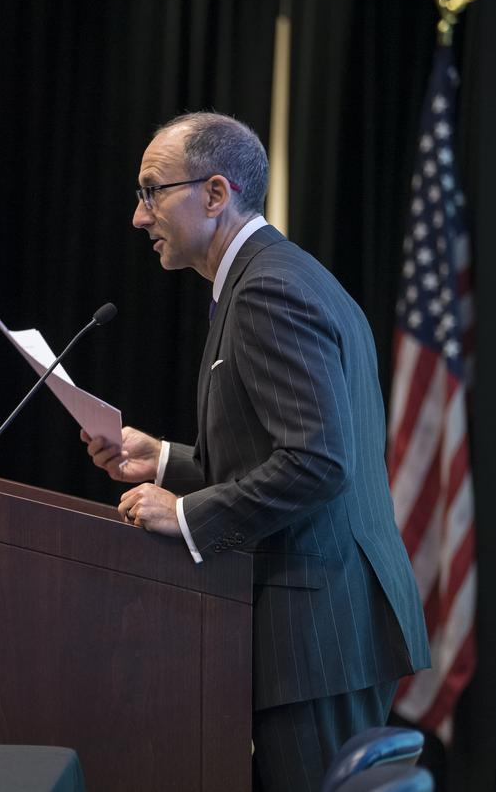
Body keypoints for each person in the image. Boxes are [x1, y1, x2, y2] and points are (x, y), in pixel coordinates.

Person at [81, 113, 430, 791]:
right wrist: (162, 460)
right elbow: (276, 453)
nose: (137, 215)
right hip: (327, 628)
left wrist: (186, 516)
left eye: (153, 191)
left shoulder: (268, 289)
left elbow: (319, 463)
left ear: (216, 193)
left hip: (319, 634)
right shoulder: (270, 277)